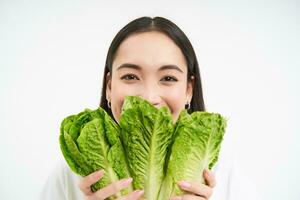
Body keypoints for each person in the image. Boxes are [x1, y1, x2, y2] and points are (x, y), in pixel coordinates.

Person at [40, 16, 260, 200]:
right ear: (109, 86)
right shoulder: (72, 176)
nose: (149, 97)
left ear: (189, 90)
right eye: (130, 76)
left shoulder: (225, 176)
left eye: (168, 78)